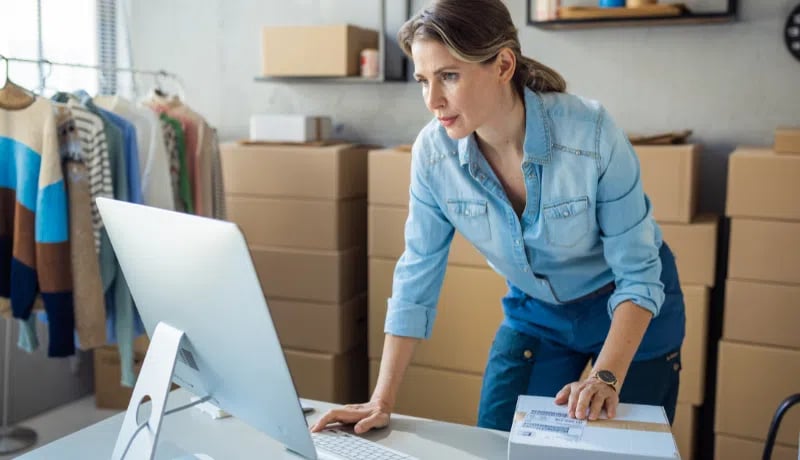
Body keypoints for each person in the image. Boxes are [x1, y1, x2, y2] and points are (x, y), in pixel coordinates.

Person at [311, 0, 684, 434]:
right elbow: (416, 273)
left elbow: (639, 273)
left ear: (503, 64)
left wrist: (604, 377)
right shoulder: (434, 155)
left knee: (611, 446)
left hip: (631, 307)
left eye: (449, 75)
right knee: (495, 438)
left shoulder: (591, 133)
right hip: (537, 312)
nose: (433, 100)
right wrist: (381, 399)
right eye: (423, 80)